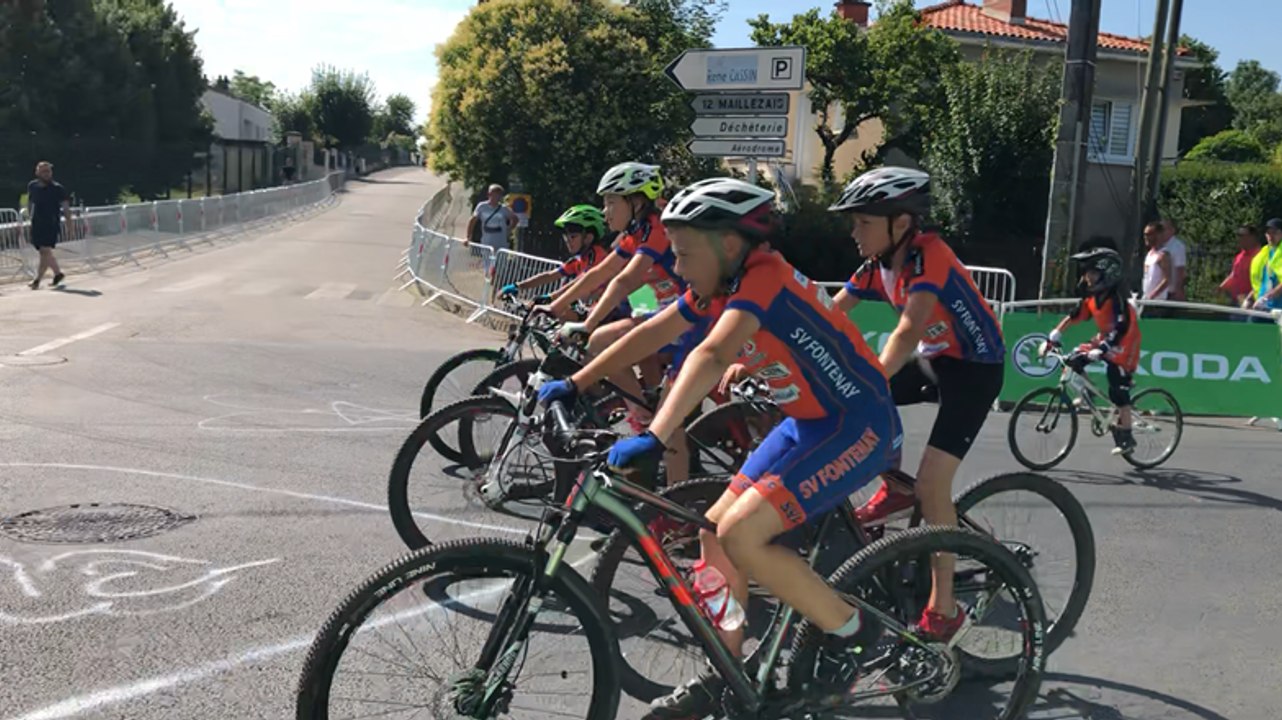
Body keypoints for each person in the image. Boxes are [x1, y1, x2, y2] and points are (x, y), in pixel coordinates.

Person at [539, 178, 901, 719]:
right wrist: (578, 381)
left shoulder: (765, 279)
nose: (678, 268)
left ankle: (854, 631)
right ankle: (727, 670)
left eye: (685, 254)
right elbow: (657, 330)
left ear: (729, 245)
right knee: (712, 532)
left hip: (858, 425)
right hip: (808, 422)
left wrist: (656, 435)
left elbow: (709, 354)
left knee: (743, 535)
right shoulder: (724, 281)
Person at [828, 166, 1005, 640]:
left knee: (932, 484)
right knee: (845, 397)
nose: (853, 232)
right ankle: (894, 481)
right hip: (935, 360)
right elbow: (826, 315)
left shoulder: (931, 258)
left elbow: (907, 330)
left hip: (974, 369)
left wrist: (870, 376)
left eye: (863, 222)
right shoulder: (876, 265)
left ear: (900, 223)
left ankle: (944, 607)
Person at [544, 162, 692, 480]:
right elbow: (601, 273)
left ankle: (643, 422)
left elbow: (625, 280)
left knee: (600, 340)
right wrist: (555, 306)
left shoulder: (657, 227)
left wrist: (587, 324)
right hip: (662, 308)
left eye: (611, 202)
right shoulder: (635, 232)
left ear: (636, 201)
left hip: (688, 317)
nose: (605, 212)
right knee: (633, 335)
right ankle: (648, 408)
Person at [1042, 246, 1141, 455]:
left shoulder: (1117, 300)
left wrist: (1103, 348)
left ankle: (1127, 436)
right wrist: (1054, 336)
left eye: (1093, 273)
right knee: (1074, 360)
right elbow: (1074, 316)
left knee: (1117, 387)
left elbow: (1121, 328)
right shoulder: (1092, 297)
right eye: (1087, 273)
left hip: (1125, 342)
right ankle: (1088, 392)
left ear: (1107, 274)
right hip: (1105, 338)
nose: (1087, 277)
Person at [498, 205, 622, 316]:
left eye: (573, 236)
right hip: (589, 308)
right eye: (565, 236)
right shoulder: (580, 258)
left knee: (560, 315)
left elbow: (582, 281)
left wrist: (551, 297)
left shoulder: (598, 255)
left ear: (588, 237)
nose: (568, 240)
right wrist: (518, 286)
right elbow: (550, 275)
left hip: (606, 311)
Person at [26, 161, 72, 290]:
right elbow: (30, 202)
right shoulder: (32, 186)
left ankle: (37, 280)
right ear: (37, 173)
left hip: (51, 224)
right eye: (43, 171)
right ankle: (58, 273)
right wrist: (29, 218)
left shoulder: (58, 188)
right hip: (37, 223)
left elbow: (66, 208)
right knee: (43, 251)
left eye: (48, 171)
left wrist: (70, 226)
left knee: (44, 252)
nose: (46, 174)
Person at [465, 183, 517, 281]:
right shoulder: (482, 206)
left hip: (501, 241)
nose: (496, 197)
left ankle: (495, 282)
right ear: (489, 194)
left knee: (500, 266)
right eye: (493, 194)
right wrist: (468, 237)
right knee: (488, 265)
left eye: (498, 195)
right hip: (487, 241)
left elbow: (514, 218)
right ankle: (489, 283)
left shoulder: (503, 209)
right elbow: (473, 220)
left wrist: (509, 230)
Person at [1245, 218, 1282, 314]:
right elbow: (1264, 281)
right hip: (1262, 307)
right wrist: (1250, 298)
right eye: (1268, 233)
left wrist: (1266, 298)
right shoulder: (1265, 253)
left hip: (1278, 310)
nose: (1270, 236)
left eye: (1274, 232)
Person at [1220, 224, 1261, 311]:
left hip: (1252, 302)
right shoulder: (1239, 256)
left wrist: (1250, 299)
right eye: (1238, 235)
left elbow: (1261, 281)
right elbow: (1234, 275)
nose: (1239, 239)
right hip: (1237, 301)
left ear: (1252, 237)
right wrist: (1221, 288)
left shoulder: (1260, 256)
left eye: (1243, 236)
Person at [1142, 221, 1173, 314]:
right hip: (1146, 301)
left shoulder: (1163, 255)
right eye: (1145, 234)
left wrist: (1152, 296)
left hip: (1157, 303)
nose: (1146, 237)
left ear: (1158, 235)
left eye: (1149, 234)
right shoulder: (1149, 254)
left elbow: (1167, 280)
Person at [1161, 218, 1188, 301]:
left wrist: (1178, 289)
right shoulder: (1159, 245)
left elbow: (1180, 269)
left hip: (1171, 291)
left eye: (1164, 229)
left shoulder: (1177, 246)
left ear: (1172, 230)